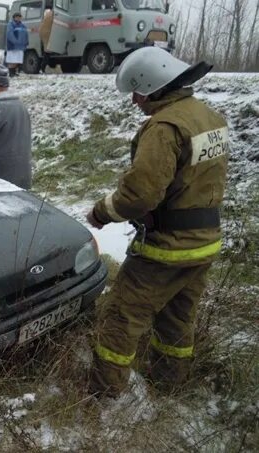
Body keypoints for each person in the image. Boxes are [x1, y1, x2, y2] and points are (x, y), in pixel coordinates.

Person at [85, 47, 229, 397]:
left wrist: (101, 212)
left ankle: (104, 398)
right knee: (178, 320)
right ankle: (169, 386)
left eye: (138, 91)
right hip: (204, 243)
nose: (134, 100)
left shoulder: (165, 127)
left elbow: (140, 195)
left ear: (154, 85)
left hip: (167, 249)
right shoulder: (209, 117)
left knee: (121, 318)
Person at [5, 12, 29, 77]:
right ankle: (11, 73)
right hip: (13, 45)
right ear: (14, 18)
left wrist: (26, 42)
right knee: (12, 60)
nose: (18, 18)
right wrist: (15, 41)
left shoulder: (23, 26)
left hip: (20, 46)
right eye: (17, 17)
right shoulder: (11, 24)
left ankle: (14, 72)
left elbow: (26, 35)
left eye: (19, 17)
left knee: (17, 60)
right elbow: (10, 34)